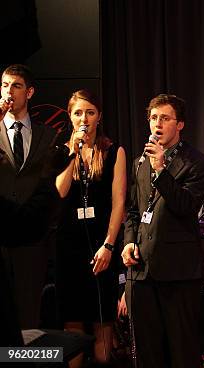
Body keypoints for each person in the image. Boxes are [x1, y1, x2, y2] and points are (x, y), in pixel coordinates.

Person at [121, 94, 204, 368]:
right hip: (142, 270)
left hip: (178, 272)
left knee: (181, 349)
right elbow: (134, 211)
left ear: (180, 124)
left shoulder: (197, 163)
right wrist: (128, 241)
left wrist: (161, 169)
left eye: (165, 118)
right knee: (147, 351)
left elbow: (185, 206)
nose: (157, 124)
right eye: (153, 118)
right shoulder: (139, 162)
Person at [54, 89, 127, 367]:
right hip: (68, 245)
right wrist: (73, 153)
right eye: (78, 113)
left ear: (99, 116)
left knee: (101, 319)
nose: (84, 118)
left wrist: (109, 245)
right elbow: (59, 192)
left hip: (101, 242)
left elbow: (119, 202)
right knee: (72, 320)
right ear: (70, 117)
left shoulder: (113, 151)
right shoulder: (62, 152)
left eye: (90, 112)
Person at [0, 63, 59, 329]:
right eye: (4, 85)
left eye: (16, 85)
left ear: (30, 92)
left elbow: (50, 186)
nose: (8, 92)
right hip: (0, 237)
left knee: (28, 319)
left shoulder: (48, 135)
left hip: (31, 241)